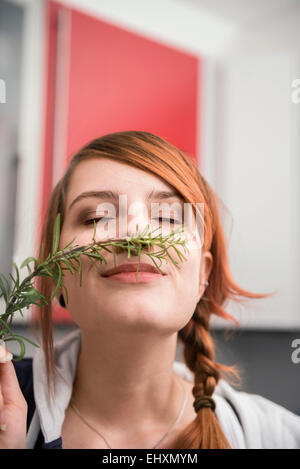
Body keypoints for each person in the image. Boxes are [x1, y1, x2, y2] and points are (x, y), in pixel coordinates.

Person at [0, 130, 299, 449]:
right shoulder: (8, 404)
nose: (135, 233)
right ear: (57, 272)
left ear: (202, 274)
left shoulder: (280, 438)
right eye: (98, 217)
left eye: (168, 217)